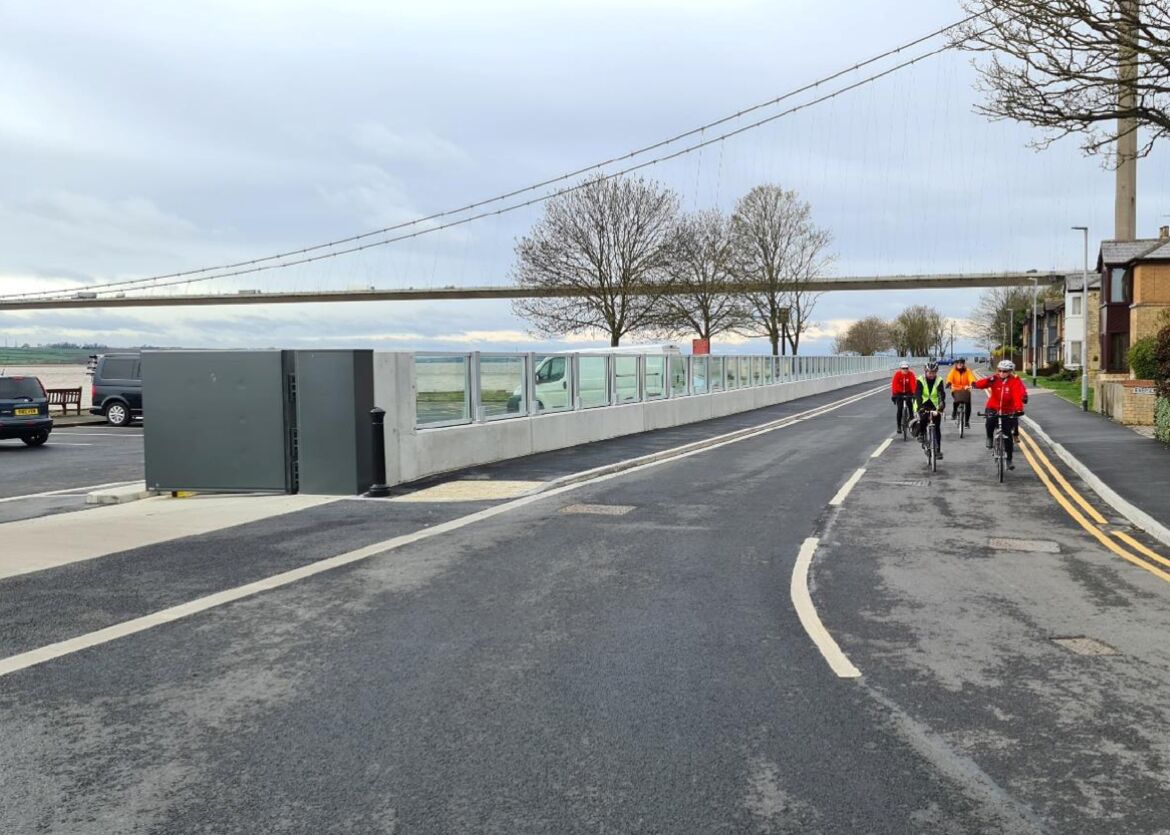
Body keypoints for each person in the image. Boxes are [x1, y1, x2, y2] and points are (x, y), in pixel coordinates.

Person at [973, 359, 1029, 470]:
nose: (1002, 373)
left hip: (1007, 410)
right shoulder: (994, 378)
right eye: (1000, 370)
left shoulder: (1014, 382)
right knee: (989, 422)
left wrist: (1019, 409)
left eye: (1005, 371)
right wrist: (975, 384)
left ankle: (1009, 460)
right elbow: (983, 383)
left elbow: (1017, 396)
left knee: (1008, 437)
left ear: (1010, 371)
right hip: (992, 407)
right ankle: (989, 437)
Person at [912, 360, 946, 459]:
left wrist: (940, 405)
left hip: (935, 404)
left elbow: (941, 394)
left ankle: (938, 450)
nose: (931, 374)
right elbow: (918, 394)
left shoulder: (939, 380)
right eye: (929, 372)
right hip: (922, 403)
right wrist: (919, 407)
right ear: (925, 371)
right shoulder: (920, 379)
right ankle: (921, 433)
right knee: (923, 418)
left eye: (934, 372)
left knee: (937, 427)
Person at [945, 357, 976, 427]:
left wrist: (973, 383)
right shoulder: (953, 371)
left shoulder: (967, 371)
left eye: (961, 363)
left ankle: (967, 422)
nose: (959, 364)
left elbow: (971, 377)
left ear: (963, 364)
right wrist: (949, 383)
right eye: (958, 363)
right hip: (956, 389)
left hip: (965, 389)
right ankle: (954, 412)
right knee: (956, 401)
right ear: (956, 364)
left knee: (968, 404)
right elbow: (949, 377)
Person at [890, 360, 917, 435]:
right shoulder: (897, 375)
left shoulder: (911, 374)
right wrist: (894, 394)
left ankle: (912, 420)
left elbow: (913, 384)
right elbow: (894, 385)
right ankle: (899, 426)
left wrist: (914, 393)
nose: (905, 370)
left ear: (908, 368)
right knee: (899, 409)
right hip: (899, 393)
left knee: (910, 405)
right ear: (900, 368)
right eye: (903, 368)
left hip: (908, 392)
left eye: (906, 368)